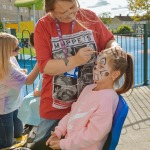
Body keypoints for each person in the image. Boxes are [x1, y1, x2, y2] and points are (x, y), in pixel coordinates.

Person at [33, 0, 126, 145]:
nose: (70, 14)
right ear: (50, 11)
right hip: (55, 107)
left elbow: (109, 40)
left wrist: (115, 47)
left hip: (89, 104)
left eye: (72, 7)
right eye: (63, 13)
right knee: (43, 144)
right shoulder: (43, 26)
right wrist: (76, 60)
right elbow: (45, 66)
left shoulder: (89, 16)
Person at [46, 47, 133, 150]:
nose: (95, 68)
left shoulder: (107, 99)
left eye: (101, 66)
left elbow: (93, 134)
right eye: (96, 64)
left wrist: (63, 144)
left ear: (114, 74)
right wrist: (58, 132)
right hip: (70, 143)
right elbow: (72, 114)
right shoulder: (89, 88)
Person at [0, 32, 39, 149]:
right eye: (16, 48)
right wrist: (40, 62)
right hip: (3, 110)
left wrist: (21, 71)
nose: (20, 48)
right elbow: (28, 81)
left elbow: (16, 71)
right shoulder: (6, 68)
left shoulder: (10, 58)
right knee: (6, 143)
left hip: (14, 105)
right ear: (6, 51)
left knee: (18, 133)